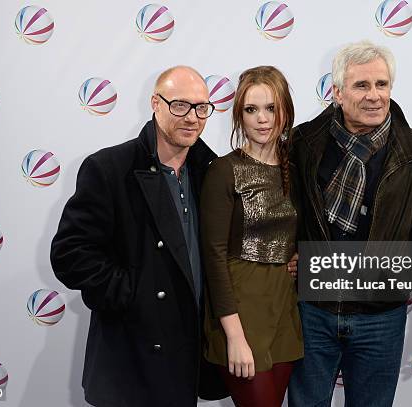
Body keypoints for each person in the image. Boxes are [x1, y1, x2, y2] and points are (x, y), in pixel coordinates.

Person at [288, 41, 412, 406]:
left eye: (382, 85)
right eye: (361, 86)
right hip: (311, 313)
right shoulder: (303, 143)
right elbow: (282, 214)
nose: (374, 96)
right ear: (336, 92)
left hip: (381, 318)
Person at [50, 66, 228, 406]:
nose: (192, 117)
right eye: (180, 105)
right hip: (130, 356)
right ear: (155, 104)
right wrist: (133, 292)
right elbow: (70, 255)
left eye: (201, 107)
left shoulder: (211, 171)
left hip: (186, 353)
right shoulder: (109, 168)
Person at [200, 66, 303, 407]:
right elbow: (213, 256)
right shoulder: (223, 170)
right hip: (240, 312)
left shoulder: (296, 167)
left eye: (271, 108)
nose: (262, 119)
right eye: (251, 109)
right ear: (238, 116)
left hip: (284, 311)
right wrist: (234, 335)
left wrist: (301, 257)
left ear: (285, 110)